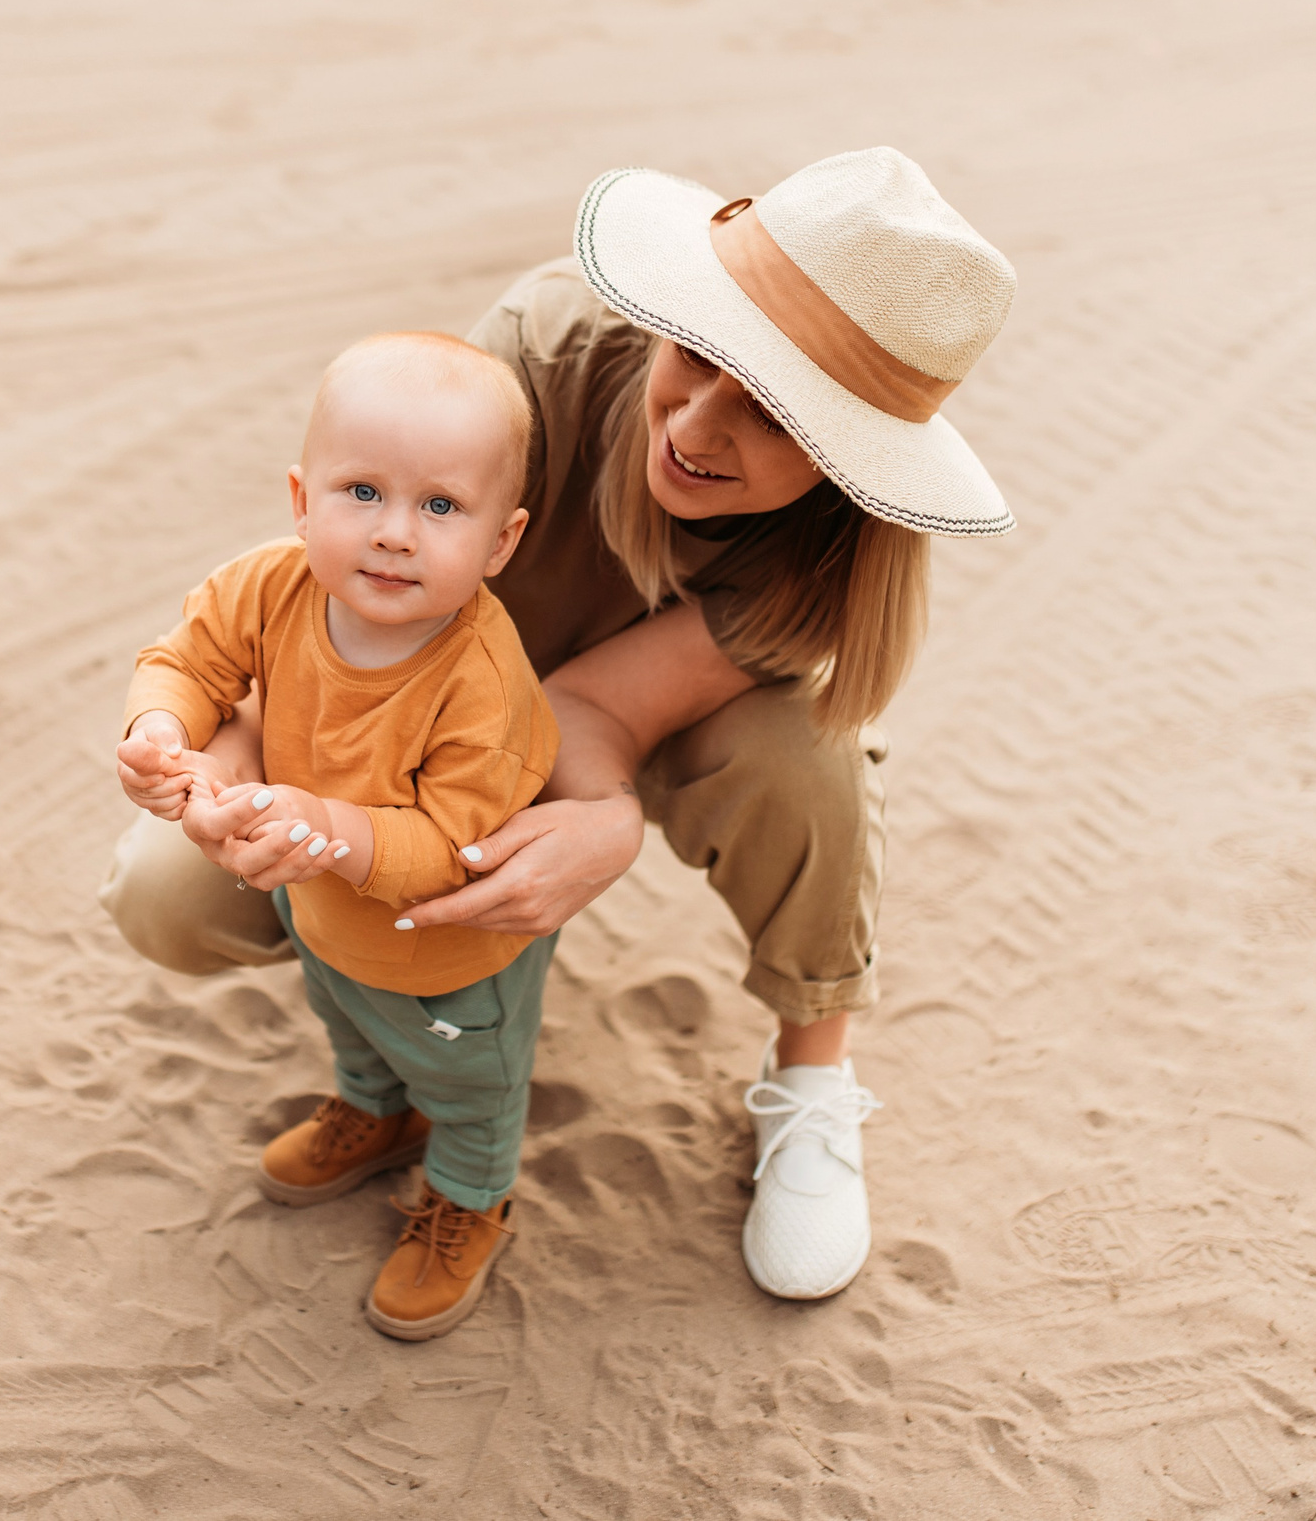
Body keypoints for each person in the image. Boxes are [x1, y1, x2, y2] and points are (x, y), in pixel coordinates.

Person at [102, 147, 1019, 1301]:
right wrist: (231, 756)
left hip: (593, 722)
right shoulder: (546, 353)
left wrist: (603, 819)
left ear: (849, 457)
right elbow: (339, 583)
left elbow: (591, 706)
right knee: (170, 894)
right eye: (700, 355)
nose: (696, 426)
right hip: (428, 700)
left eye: (774, 414)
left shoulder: (825, 563)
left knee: (807, 760)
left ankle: (811, 1077)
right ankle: (377, 1061)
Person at [114, 331, 560, 1340]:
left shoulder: (483, 682)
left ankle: (470, 1194)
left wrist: (324, 823)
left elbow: (451, 847)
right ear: (301, 498)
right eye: (362, 491)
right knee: (346, 1017)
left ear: (500, 542)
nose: (394, 532)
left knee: (473, 1085)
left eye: (440, 506)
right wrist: (160, 732)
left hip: (452, 954)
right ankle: (376, 1107)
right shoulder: (272, 586)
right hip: (321, 914)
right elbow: (187, 659)